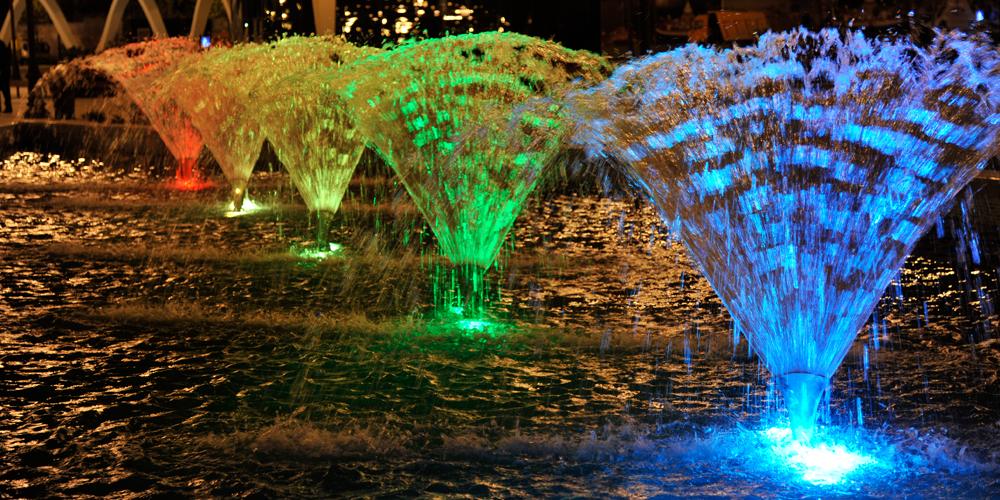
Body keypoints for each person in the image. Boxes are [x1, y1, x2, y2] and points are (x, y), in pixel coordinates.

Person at [0, 40, 11, 113]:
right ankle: (8, 106)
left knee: (5, 89)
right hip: (5, 70)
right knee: (6, 89)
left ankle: (8, 106)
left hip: (2, 71)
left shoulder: (1, 45)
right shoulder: (2, 44)